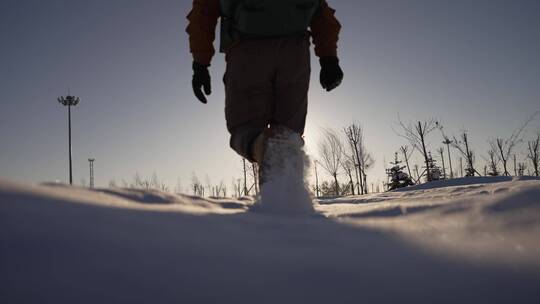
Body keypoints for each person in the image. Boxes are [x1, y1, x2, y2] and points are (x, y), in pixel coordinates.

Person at [187, 0, 343, 183]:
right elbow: (321, 12)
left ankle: (264, 152)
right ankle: (287, 198)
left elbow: (204, 11)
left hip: (247, 50)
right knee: (288, 134)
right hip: (294, 54)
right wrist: (328, 58)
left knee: (246, 129)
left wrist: (200, 63)